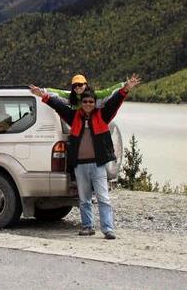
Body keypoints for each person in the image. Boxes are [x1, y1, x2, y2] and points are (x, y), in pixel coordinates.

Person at [30, 74, 142, 239]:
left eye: (91, 102)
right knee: (84, 199)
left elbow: (114, 101)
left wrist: (125, 89)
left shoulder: (103, 115)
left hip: (98, 165)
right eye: (85, 102)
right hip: (80, 165)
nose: (88, 104)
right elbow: (58, 105)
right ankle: (88, 226)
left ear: (94, 103)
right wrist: (43, 96)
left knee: (103, 198)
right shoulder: (73, 116)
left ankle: (108, 229)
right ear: (80, 103)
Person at [44, 74, 124, 109]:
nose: (77, 87)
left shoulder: (96, 95)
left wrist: (125, 85)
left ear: (86, 85)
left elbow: (110, 91)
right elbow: (57, 93)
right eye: (75, 86)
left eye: (80, 84)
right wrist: (42, 91)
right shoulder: (71, 97)